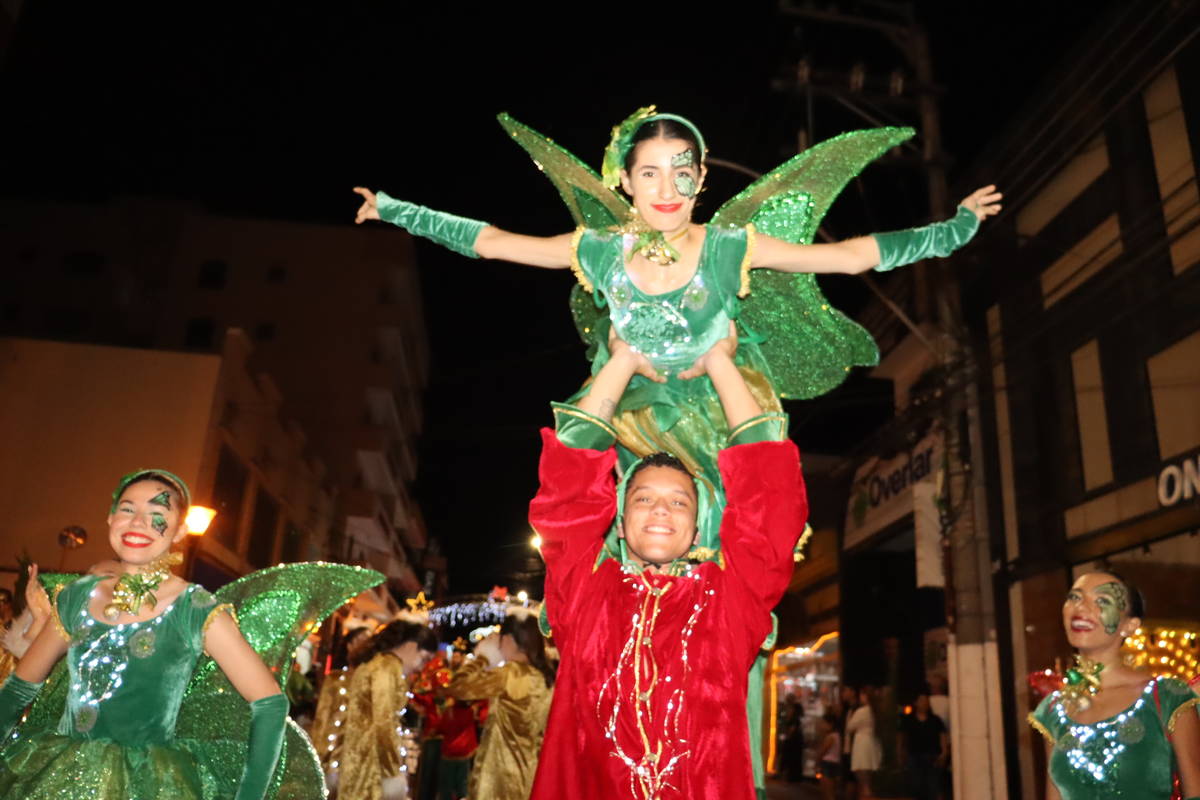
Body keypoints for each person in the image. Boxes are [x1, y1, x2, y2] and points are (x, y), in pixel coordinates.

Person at [353, 108, 1001, 545]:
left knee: (724, 559)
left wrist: (955, 229)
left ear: (701, 178)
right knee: (619, 550)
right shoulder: (598, 249)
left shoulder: (730, 245)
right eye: (650, 173)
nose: (667, 187)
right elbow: (493, 242)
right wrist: (397, 210)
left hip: (718, 418)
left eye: (682, 171)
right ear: (627, 182)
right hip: (631, 417)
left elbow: (851, 255)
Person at [525, 322, 808, 799]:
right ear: (617, 521)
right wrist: (622, 361)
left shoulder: (730, 600)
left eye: (679, 502)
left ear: (699, 528)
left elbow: (769, 497)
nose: (660, 509)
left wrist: (720, 362)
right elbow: (567, 485)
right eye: (642, 499)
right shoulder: (584, 591)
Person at [0, 469, 289, 800]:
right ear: (110, 518)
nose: (138, 522)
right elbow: (18, 691)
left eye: (157, 514)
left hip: (149, 785)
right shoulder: (76, 596)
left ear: (179, 530)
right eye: (127, 509)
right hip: (59, 780)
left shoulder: (194, 608)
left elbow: (270, 703)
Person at [1029, 570, 1200, 799]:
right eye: (1075, 597)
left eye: (1102, 601)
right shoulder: (1053, 709)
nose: (1080, 607)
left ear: (1130, 625)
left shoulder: (1167, 696)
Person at [445, 611, 555, 800]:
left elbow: (458, 687)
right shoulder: (545, 678)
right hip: (531, 775)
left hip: (500, 779)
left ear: (509, 639)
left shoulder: (510, 674)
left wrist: (482, 658)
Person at [336, 619, 438, 800]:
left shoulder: (380, 664)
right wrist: (393, 774)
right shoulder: (387, 668)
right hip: (371, 769)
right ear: (411, 646)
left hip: (361, 763)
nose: (421, 668)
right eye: (424, 659)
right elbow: (384, 724)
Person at [899, 692, 947, 800]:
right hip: (914, 756)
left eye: (926, 701)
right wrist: (901, 753)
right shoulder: (909, 719)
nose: (924, 703)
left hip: (932, 756)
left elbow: (942, 735)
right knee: (916, 786)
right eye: (921, 701)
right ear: (916, 703)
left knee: (934, 786)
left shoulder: (935, 720)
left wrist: (944, 752)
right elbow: (902, 737)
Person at [847, 686, 882, 799]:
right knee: (869, 778)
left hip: (861, 743)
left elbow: (850, 727)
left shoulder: (862, 711)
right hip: (873, 743)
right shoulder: (876, 711)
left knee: (863, 779)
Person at [817, 711, 842, 800]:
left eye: (824, 723)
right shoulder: (837, 736)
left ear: (831, 724)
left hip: (828, 764)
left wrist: (818, 760)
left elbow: (823, 751)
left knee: (827, 792)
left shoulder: (831, 737)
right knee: (829, 791)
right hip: (834, 763)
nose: (822, 726)